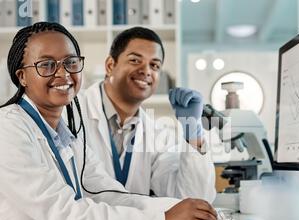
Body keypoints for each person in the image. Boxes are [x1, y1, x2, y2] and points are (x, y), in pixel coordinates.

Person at [0, 22, 217, 220]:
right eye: (46, 64)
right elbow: (65, 213)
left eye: (71, 62)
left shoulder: (67, 135)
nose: (63, 73)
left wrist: (182, 209)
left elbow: (108, 194)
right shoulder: (4, 130)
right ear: (21, 76)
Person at [76, 27, 216, 201]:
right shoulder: (73, 112)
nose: (146, 70)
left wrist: (193, 131)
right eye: (135, 60)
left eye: (155, 65)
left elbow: (192, 198)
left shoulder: (157, 134)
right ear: (110, 65)